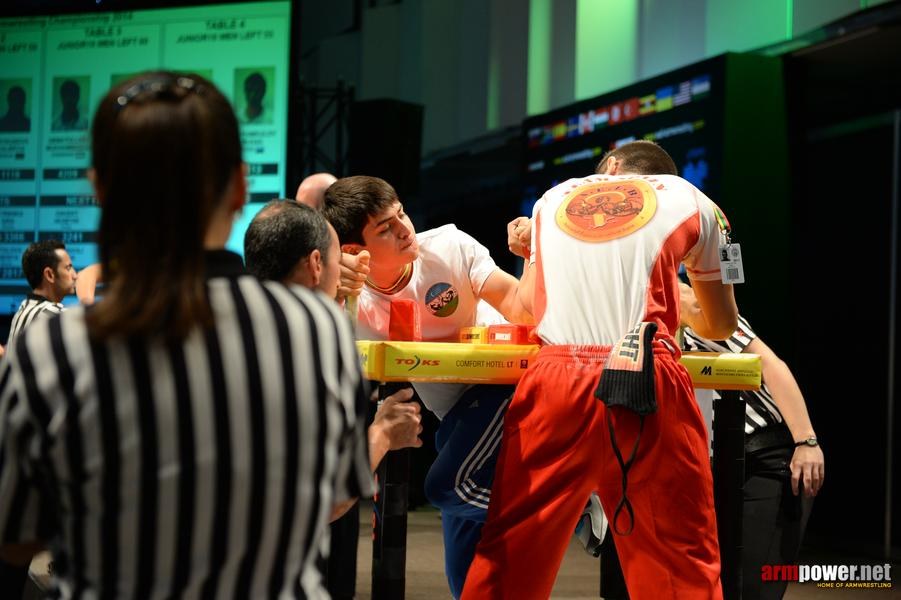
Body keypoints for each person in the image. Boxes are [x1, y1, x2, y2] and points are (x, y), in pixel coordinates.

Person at [0, 71, 372, 598]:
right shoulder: (318, 330)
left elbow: (15, 540)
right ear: (241, 186)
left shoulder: (51, 347)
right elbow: (335, 495)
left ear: (100, 189)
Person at [462, 140, 738, 599]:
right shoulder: (698, 201)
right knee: (677, 561)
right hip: (645, 374)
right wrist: (679, 296)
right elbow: (723, 323)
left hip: (556, 382)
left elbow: (529, 311)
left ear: (609, 167)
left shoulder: (552, 199)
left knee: (511, 555)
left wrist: (531, 253)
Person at [323, 175, 532, 599]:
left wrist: (533, 255)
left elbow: (519, 306)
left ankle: (574, 501)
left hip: (508, 389)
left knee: (446, 488)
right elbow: (324, 363)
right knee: (466, 584)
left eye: (401, 213)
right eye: (385, 228)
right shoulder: (349, 296)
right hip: (454, 418)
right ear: (352, 251)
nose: (404, 229)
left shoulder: (449, 246)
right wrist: (332, 294)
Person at [680, 282, 824, 600]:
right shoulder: (631, 321)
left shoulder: (690, 306)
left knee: (752, 590)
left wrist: (806, 442)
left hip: (764, 460)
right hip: (704, 471)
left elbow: (771, 366)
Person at [6, 239, 77, 346]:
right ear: (49, 275)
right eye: (68, 268)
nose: (75, 275)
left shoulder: (22, 310)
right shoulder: (56, 315)